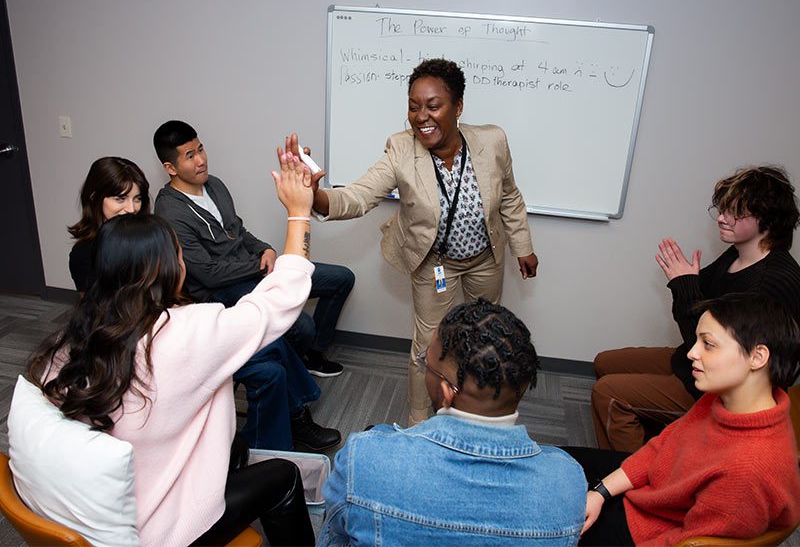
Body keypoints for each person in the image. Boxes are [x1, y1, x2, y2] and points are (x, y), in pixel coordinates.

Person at [25, 150, 318, 546]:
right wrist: (299, 214)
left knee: (235, 447)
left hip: (101, 508)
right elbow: (279, 301)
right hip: (160, 528)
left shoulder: (71, 338)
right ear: (170, 268)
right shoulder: (183, 333)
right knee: (282, 475)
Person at [300, 58, 538, 425]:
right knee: (428, 346)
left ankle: (480, 412)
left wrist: (523, 246)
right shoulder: (400, 150)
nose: (421, 116)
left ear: (458, 108)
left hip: (485, 258)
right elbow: (360, 196)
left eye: (433, 105)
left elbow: (508, 195)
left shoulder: (492, 141)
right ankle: (418, 420)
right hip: (435, 263)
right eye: (413, 106)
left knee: (486, 338)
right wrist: (316, 197)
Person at [318, 299, 586, 546]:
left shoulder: (364, 460)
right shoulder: (567, 483)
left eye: (427, 364)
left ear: (447, 392)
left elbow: (333, 536)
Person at [592, 165, 800, 452]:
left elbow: (708, 342)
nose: (722, 218)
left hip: (719, 389)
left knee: (609, 394)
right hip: (695, 361)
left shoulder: (772, 283)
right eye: (722, 209)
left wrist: (684, 285)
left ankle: (633, 478)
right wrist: (688, 283)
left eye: (734, 212)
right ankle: (667, 441)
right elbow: (703, 305)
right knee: (604, 362)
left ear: (767, 220)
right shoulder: (737, 254)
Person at [564, 293, 800, 545]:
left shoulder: (747, 472)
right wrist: (600, 492)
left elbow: (685, 542)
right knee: (552, 460)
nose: (691, 353)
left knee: (542, 517)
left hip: (647, 529)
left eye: (708, 344)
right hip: (655, 492)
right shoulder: (725, 397)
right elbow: (663, 446)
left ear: (757, 357)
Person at [152, 119, 353, 378]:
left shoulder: (214, 184)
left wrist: (265, 250)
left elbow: (238, 229)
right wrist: (260, 266)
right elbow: (207, 273)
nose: (201, 160)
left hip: (252, 271)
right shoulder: (170, 211)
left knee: (342, 278)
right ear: (170, 167)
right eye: (190, 156)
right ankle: (292, 367)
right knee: (300, 324)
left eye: (201, 149)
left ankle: (311, 354)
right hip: (219, 291)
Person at [67, 156, 150, 291]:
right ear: (95, 198)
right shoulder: (84, 254)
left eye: (137, 199)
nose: (131, 209)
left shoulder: (150, 239)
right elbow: (92, 308)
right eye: (120, 199)